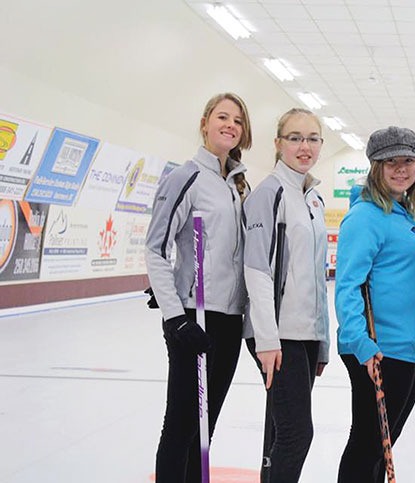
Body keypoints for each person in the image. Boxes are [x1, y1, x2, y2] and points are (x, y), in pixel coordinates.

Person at [145, 92, 253, 483]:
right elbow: (156, 249)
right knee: (182, 426)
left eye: (238, 121)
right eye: (222, 117)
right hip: (194, 316)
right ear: (205, 122)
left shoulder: (240, 184)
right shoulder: (185, 176)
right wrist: (176, 317)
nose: (230, 125)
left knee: (205, 428)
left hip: (228, 318)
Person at [335, 126, 415, 482]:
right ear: (375, 167)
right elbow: (348, 286)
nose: (400, 168)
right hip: (380, 349)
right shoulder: (366, 216)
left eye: (408, 160)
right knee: (368, 447)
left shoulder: (407, 213)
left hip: (410, 350)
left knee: (383, 449)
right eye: (390, 161)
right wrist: (361, 344)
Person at [243, 107, 329, 482]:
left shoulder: (312, 198)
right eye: (295, 138)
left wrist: (322, 342)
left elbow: (315, 278)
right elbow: (257, 270)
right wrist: (266, 339)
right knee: (297, 434)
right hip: (278, 336)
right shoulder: (269, 193)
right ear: (278, 144)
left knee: (280, 433)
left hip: (305, 336)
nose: (304, 146)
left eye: (312, 138)